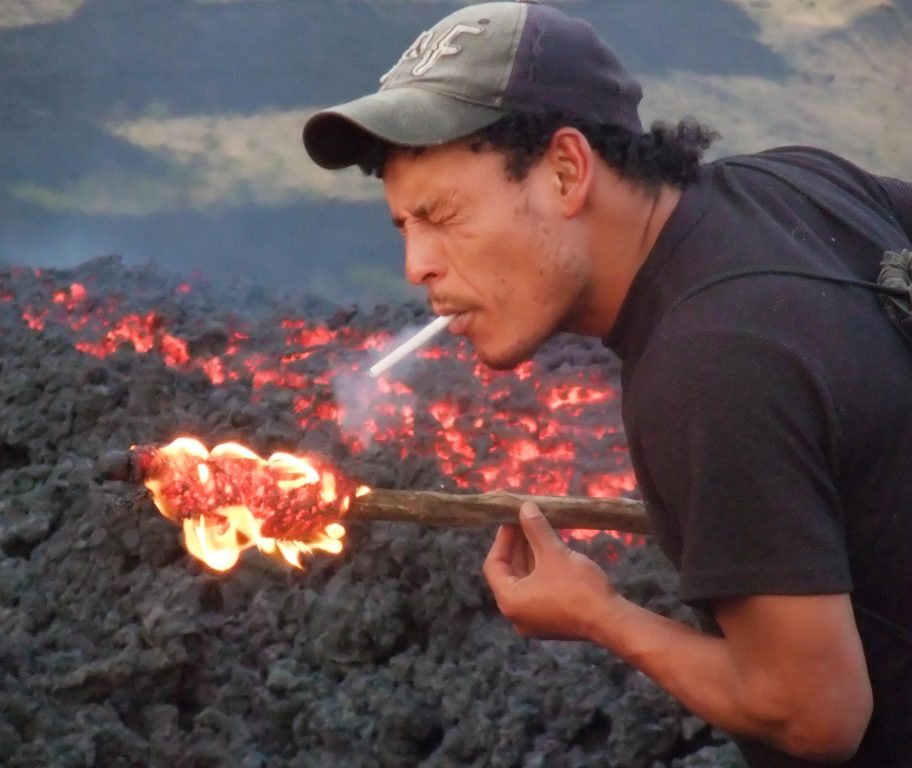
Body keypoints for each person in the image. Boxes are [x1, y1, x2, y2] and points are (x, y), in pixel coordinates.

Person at [301, 2, 912, 765]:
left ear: (566, 170)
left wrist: (599, 614)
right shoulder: (792, 183)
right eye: (403, 226)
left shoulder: (708, 365)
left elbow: (813, 714)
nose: (416, 265)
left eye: (442, 215)